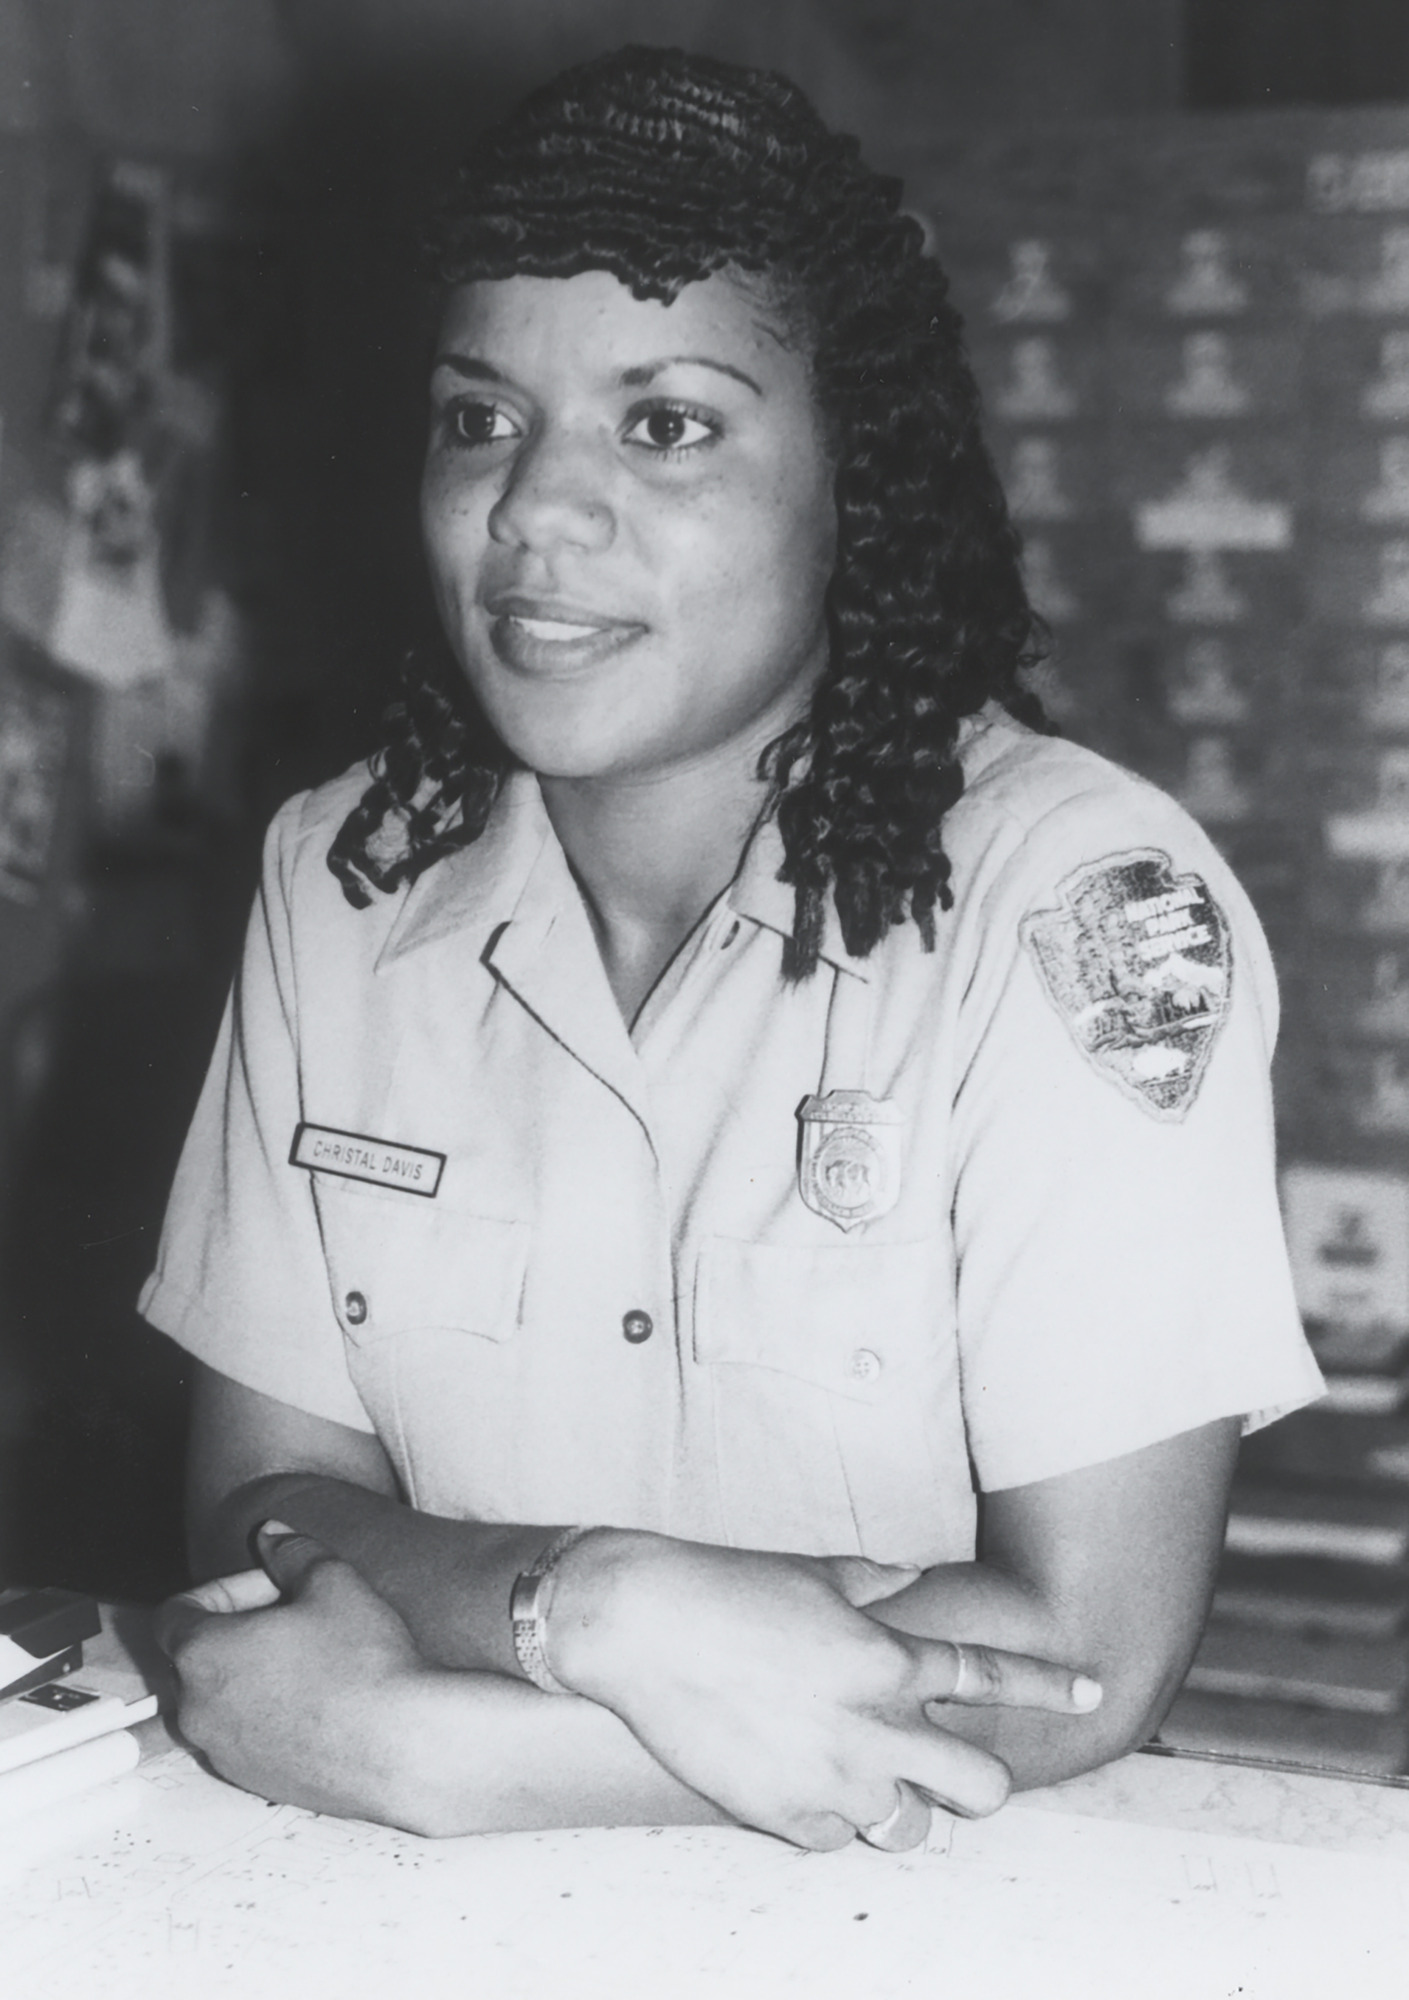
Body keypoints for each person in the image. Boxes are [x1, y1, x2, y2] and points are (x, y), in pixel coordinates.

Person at [146, 45, 1322, 1854]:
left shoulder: (1085, 905)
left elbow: (1090, 1655)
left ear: (853, 479)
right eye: (481, 419)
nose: (535, 511)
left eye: (667, 426)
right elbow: (258, 1496)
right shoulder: (343, 880)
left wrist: (453, 1757)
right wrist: (579, 1601)